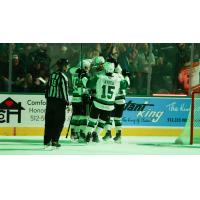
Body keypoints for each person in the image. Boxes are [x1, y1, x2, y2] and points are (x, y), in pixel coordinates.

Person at [81, 62, 127, 143]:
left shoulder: (99, 77)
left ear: (105, 69)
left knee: (92, 120)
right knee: (102, 121)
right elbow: (125, 85)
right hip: (109, 105)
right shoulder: (118, 79)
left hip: (98, 103)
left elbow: (88, 84)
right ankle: (96, 134)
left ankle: (88, 134)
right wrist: (126, 76)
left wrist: (83, 77)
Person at [44, 58, 70, 148]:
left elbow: (47, 88)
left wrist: (48, 98)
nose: (68, 67)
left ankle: (46, 141)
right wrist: (67, 102)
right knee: (58, 122)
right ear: (63, 66)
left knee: (49, 122)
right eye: (66, 65)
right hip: (59, 103)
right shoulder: (63, 77)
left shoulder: (52, 75)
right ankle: (55, 141)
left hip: (50, 101)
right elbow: (64, 91)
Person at [103, 64, 130, 143]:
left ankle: (108, 133)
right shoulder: (121, 76)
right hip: (122, 100)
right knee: (118, 119)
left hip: (114, 100)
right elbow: (127, 84)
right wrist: (127, 76)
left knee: (109, 117)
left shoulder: (112, 76)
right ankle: (118, 135)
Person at [69, 59, 91, 140]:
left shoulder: (74, 73)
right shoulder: (84, 75)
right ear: (85, 67)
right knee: (83, 117)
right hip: (82, 98)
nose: (89, 69)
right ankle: (82, 134)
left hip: (75, 98)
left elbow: (71, 70)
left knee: (75, 116)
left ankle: (73, 133)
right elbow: (88, 86)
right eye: (88, 67)